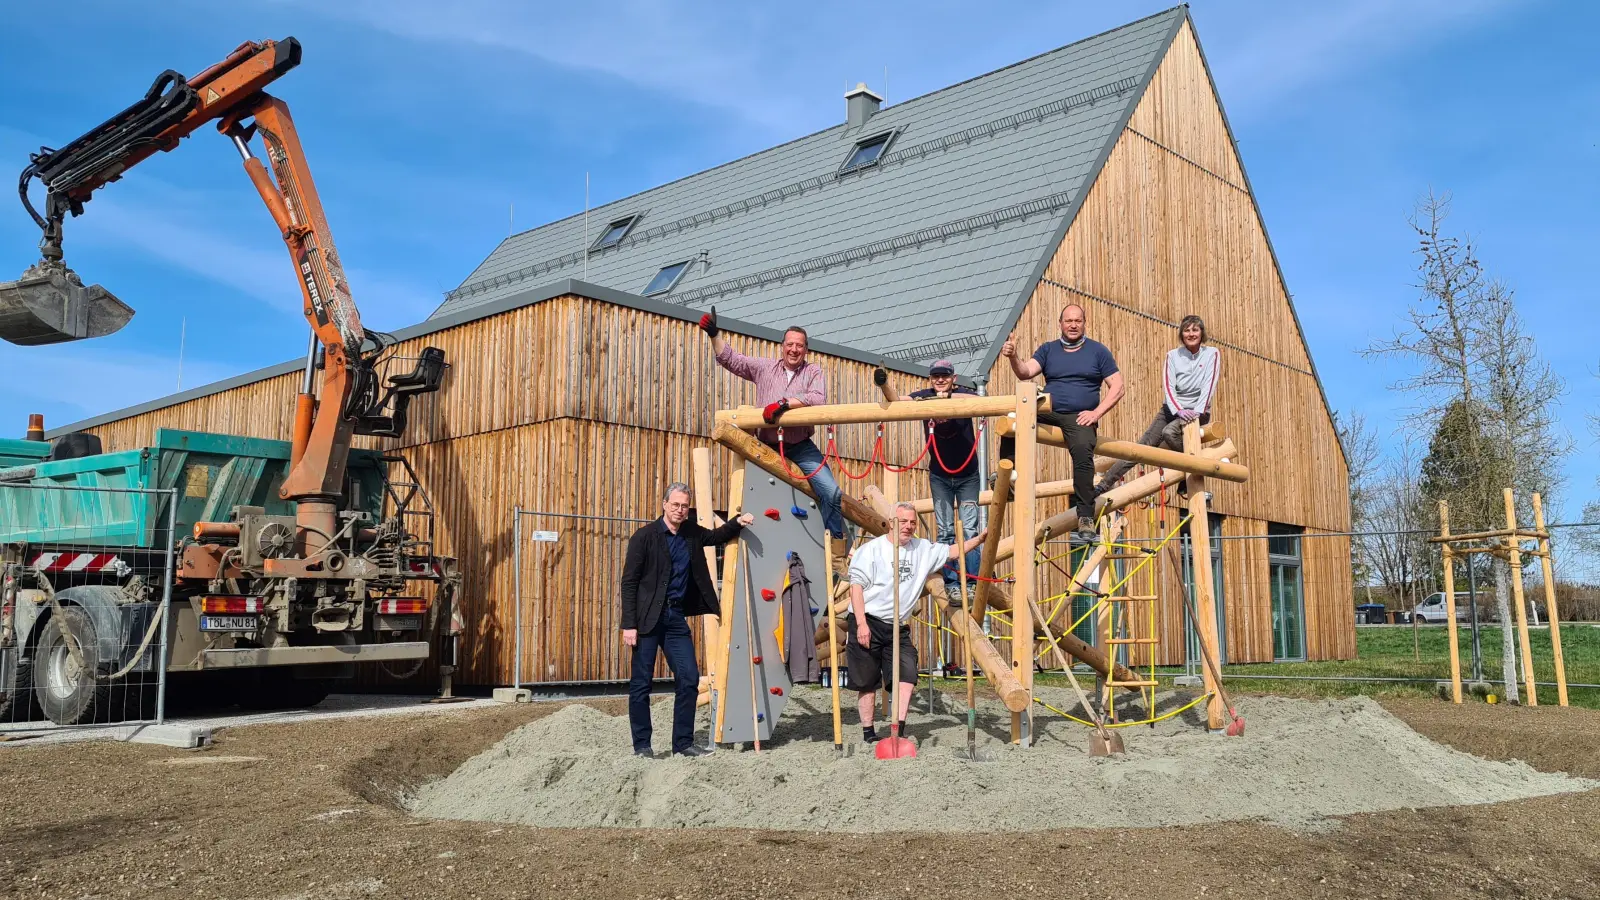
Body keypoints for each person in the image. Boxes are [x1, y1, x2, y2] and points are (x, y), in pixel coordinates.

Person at [620, 482, 754, 758]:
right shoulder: (644, 537)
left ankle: (682, 743)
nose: (680, 510)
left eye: (684, 506)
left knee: (689, 678)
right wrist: (628, 625)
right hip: (646, 620)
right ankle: (642, 746)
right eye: (676, 505)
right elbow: (629, 583)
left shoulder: (691, 534)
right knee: (641, 683)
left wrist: (737, 522)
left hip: (675, 618)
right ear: (664, 504)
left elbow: (717, 537)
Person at [700, 308, 845, 543]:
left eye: (799, 345)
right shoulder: (765, 368)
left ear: (806, 349)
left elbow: (818, 398)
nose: (794, 350)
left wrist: (784, 404)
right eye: (790, 344)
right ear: (782, 346)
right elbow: (731, 360)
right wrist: (714, 334)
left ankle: (835, 549)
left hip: (800, 445)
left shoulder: (812, 371)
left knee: (831, 492)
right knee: (756, 498)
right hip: (766, 444)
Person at [847, 502, 986, 743]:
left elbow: (953, 551)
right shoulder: (871, 550)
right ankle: (868, 733)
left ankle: (897, 729)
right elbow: (856, 588)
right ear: (892, 523)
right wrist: (861, 624)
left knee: (907, 673)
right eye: (904, 522)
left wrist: (981, 539)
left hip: (897, 626)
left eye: (912, 522)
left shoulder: (922, 549)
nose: (909, 526)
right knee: (866, 681)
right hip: (868, 619)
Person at [1000, 304, 1123, 544]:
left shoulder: (1098, 351)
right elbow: (1025, 373)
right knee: (1013, 417)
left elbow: (1118, 387)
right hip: (1048, 409)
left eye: (1078, 320)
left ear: (1084, 323)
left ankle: (1085, 516)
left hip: (1080, 415)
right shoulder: (1048, 350)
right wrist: (1014, 355)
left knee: (1082, 450)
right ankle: (1009, 476)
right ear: (1060, 323)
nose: (1073, 325)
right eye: (1069, 321)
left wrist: (1096, 413)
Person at [883, 359, 982, 593]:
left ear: (953, 379)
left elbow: (980, 401)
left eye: (945, 376)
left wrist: (944, 399)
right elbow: (896, 402)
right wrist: (884, 384)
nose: (940, 380)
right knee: (946, 529)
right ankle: (951, 582)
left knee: (970, 529)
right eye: (936, 376)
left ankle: (971, 581)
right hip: (940, 475)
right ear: (930, 378)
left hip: (968, 474)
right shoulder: (924, 395)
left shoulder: (962, 394)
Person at [1095, 314, 1220, 495]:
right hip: (1172, 408)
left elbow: (1210, 384)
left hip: (1197, 410)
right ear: (1181, 334)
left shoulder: (1212, 354)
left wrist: (1197, 411)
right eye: (1187, 330)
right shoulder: (1173, 356)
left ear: (1202, 332)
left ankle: (1193, 467)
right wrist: (1178, 409)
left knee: (1169, 432)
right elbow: (1168, 386)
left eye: (1195, 329)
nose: (1191, 334)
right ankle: (1104, 484)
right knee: (1142, 447)